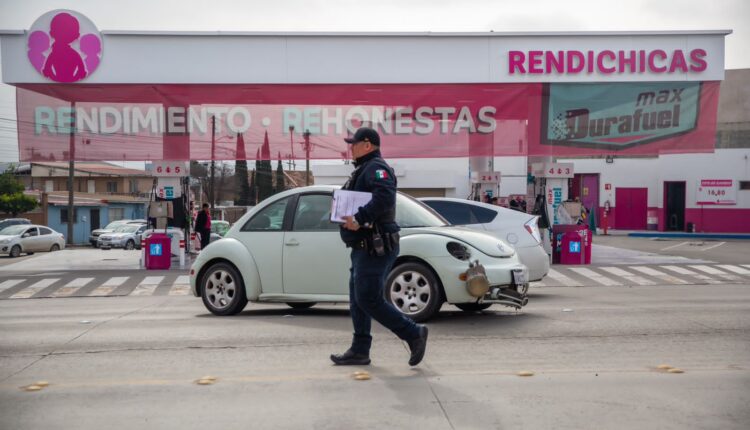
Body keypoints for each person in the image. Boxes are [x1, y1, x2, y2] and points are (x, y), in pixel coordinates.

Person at [331, 127, 428, 367]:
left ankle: (413, 333)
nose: (350, 148)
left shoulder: (376, 168)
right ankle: (360, 349)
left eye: (353, 144)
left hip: (375, 246)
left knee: (368, 297)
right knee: (358, 299)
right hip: (363, 247)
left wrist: (360, 217)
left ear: (367, 145)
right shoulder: (363, 170)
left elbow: (385, 197)